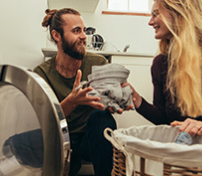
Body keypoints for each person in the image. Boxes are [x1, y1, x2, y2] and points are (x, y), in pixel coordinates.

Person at [33, 8, 133, 176]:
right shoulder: (42, 74)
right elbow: (43, 123)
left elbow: (114, 99)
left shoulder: (98, 63)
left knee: (101, 117)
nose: (83, 36)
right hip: (61, 142)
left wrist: (115, 101)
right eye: (76, 31)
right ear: (57, 36)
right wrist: (72, 101)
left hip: (90, 140)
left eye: (84, 31)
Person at [129, 0, 202, 136]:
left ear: (179, 13)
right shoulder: (160, 64)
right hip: (183, 152)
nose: (150, 22)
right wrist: (137, 100)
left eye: (155, 14)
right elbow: (165, 121)